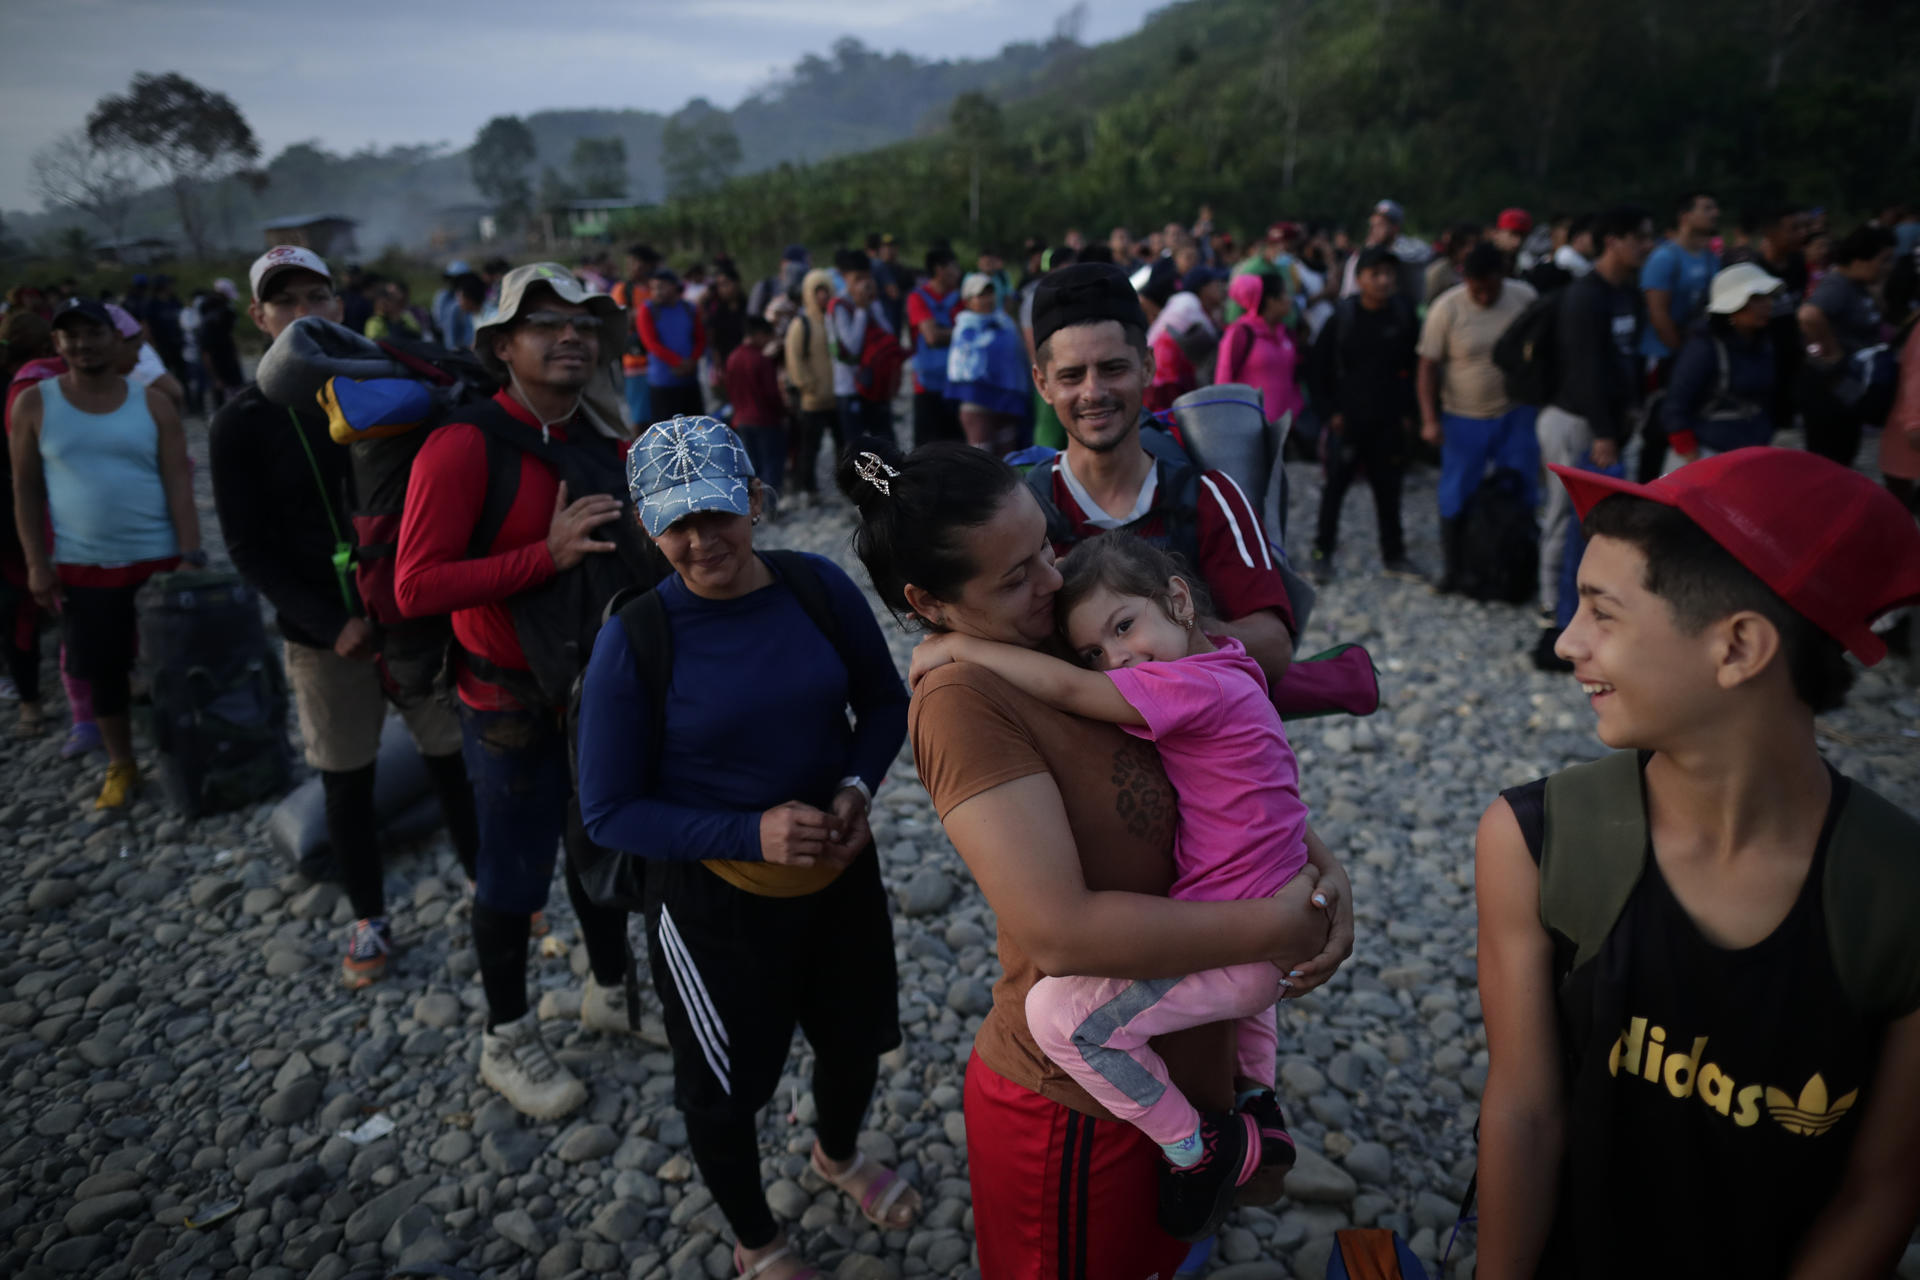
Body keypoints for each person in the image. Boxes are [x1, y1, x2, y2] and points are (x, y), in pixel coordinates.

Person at [839, 438, 1351, 1275]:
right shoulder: (964, 699)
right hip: (1079, 1113)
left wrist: (1323, 877)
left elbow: (1228, 758)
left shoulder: (1072, 628)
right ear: (928, 602)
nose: (1051, 577)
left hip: (1185, 1047)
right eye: (1014, 575)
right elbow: (1064, 935)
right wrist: (1279, 923)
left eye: (1043, 542)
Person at [1473, 449, 1920, 1279]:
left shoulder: (1898, 898)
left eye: (1603, 613)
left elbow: (1882, 1192)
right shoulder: (1537, 840)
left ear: (1740, 647)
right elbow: (1524, 1115)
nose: (1568, 642)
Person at [909, 530, 1320, 1239]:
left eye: (1124, 628)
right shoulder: (1233, 666)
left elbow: (1076, 691)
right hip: (1268, 939)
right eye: (1098, 651)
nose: (1119, 659)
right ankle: (1259, 1103)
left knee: (1057, 1018)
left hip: (1240, 947)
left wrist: (958, 649)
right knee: (1250, 999)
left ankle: (1195, 1148)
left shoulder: (1182, 685)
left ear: (1180, 600)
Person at [577, 416, 913, 1280]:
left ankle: (834, 1156)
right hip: (716, 907)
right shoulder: (637, 639)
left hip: (839, 876)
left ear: (756, 502)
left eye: (717, 514)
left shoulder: (815, 588)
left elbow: (883, 702)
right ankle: (756, 1239)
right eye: (677, 525)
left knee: (851, 1042)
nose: (701, 540)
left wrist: (856, 787)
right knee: (724, 1087)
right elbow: (608, 810)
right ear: (649, 529)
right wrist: (746, 831)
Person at [393, 264, 655, 1119]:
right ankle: (505, 1036)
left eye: (584, 322)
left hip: (593, 692)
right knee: (512, 871)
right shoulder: (464, 446)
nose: (572, 334)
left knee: (601, 844)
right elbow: (415, 587)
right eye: (545, 323)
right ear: (503, 347)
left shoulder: (605, 442)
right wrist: (543, 556)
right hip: (503, 697)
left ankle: (610, 992)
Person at [210, 245, 480, 987]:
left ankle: (488, 888)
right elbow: (246, 546)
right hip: (323, 636)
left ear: (340, 306)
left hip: (413, 616)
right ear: (259, 318)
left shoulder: (391, 389)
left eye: (317, 297)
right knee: (346, 779)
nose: (305, 314)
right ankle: (370, 915)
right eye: (285, 302)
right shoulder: (243, 421)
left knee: (451, 758)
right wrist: (331, 625)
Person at [1024, 262, 1298, 688]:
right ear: (1043, 384)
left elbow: (1275, 648)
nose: (1094, 392)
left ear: (1148, 367)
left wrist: (1160, 625)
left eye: (1113, 369)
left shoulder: (1209, 496)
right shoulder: (1025, 514)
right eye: (1072, 376)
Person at [9, 298, 202, 808]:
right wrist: (36, 563)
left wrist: (190, 553)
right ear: (56, 345)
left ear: (116, 341)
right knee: (103, 671)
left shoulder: (152, 403)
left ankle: (194, 754)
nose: (83, 344)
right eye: (70, 336)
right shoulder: (34, 404)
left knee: (175, 667)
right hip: (83, 565)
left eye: (94, 333)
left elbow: (178, 482)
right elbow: (25, 489)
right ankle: (122, 765)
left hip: (159, 561)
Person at [1536, 205, 1654, 640]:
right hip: (1576, 421)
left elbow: (1627, 359)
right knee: (1564, 515)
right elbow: (1583, 370)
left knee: (1599, 521)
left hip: (1607, 423)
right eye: (1638, 237)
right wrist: (1604, 431)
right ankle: (1552, 608)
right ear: (1613, 242)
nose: (1646, 246)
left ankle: (1586, 601)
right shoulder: (1585, 296)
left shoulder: (1627, 292)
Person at [1417, 243, 1540, 590]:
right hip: (1463, 416)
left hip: (1514, 413)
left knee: (1522, 487)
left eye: (1490, 287)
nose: (1484, 296)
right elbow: (1427, 367)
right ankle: (1454, 568)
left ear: (1502, 277)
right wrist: (1430, 418)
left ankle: (1518, 564)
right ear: (1465, 280)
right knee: (1455, 492)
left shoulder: (1523, 297)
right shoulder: (1447, 308)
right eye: (1477, 288)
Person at [1309, 245, 1422, 583]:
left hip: (1388, 421)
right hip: (1348, 420)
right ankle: (1321, 553)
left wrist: (1410, 413)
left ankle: (1395, 555)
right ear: (1359, 279)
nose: (1384, 281)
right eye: (1376, 274)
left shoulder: (1403, 316)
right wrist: (1329, 413)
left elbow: (1416, 368)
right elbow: (1316, 370)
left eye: (1389, 274)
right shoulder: (1342, 318)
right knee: (1335, 491)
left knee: (1389, 491)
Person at [1658, 263, 1783, 470]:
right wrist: (1691, 458)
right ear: (1732, 308)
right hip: (1704, 454)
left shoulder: (1763, 343)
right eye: (1756, 300)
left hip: (1750, 453)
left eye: (1768, 297)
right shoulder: (1704, 347)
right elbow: (1674, 407)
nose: (1767, 305)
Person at [1636, 192, 1722, 480]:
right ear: (1685, 217)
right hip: (1664, 357)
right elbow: (1658, 314)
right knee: (1659, 428)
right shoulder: (1665, 257)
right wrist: (1683, 354)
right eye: (1707, 208)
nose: (1715, 213)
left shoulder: (1711, 258)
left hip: (1693, 352)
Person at [1797, 224, 1897, 465]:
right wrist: (1833, 353)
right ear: (1860, 258)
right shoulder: (1837, 285)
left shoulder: (1859, 285)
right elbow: (1809, 315)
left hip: (1846, 386)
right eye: (1882, 260)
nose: (1886, 268)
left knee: (1844, 455)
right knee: (1828, 460)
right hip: (1829, 387)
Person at [945, 274, 1029, 453]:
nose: (987, 299)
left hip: (1007, 398)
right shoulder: (964, 327)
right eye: (981, 295)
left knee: (1009, 454)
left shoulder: (1005, 323)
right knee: (982, 454)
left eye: (990, 293)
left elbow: (1018, 357)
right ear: (968, 301)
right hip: (976, 398)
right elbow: (962, 367)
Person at [1215, 271, 1304, 428]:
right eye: (1284, 294)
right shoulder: (1241, 333)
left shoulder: (1285, 333)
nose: (1289, 300)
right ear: (1270, 300)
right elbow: (1223, 380)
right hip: (1248, 428)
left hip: (1284, 429)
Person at [828, 249, 900, 441]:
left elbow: (889, 335)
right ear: (844, 277)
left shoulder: (872, 302)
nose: (863, 284)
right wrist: (860, 310)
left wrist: (873, 305)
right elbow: (852, 347)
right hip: (849, 388)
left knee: (886, 444)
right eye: (857, 278)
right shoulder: (839, 306)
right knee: (857, 451)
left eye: (867, 278)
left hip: (875, 386)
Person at [783, 267, 841, 503]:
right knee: (810, 447)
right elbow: (794, 359)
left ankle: (846, 485)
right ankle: (808, 488)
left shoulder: (834, 320)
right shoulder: (801, 324)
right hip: (813, 399)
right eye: (818, 292)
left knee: (843, 445)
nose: (823, 297)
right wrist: (807, 385)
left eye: (826, 291)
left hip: (837, 396)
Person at [1145, 266, 1225, 412]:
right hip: (1162, 379)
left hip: (1170, 377)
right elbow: (1213, 344)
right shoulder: (1187, 302)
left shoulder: (1200, 307)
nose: (1221, 287)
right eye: (1216, 283)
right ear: (1203, 289)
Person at [723, 315, 787, 494]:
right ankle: (769, 503)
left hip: (742, 420)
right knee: (771, 464)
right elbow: (772, 394)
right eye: (767, 336)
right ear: (759, 335)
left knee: (752, 467)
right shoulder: (761, 360)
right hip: (765, 420)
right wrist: (783, 413)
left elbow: (729, 389)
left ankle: (754, 504)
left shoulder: (733, 357)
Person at [907, 248, 963, 446]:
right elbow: (931, 336)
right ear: (939, 269)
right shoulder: (917, 298)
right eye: (954, 267)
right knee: (927, 449)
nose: (958, 272)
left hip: (956, 383)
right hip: (926, 387)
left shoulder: (961, 298)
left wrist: (943, 332)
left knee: (956, 448)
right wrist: (961, 333)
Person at [635, 267, 707, 421]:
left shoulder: (690, 308)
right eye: (653, 288)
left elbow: (700, 338)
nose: (656, 292)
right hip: (662, 383)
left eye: (660, 287)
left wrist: (692, 361)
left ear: (673, 286)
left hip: (689, 381)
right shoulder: (647, 310)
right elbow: (651, 344)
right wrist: (678, 362)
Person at [1340, 199, 1432, 304]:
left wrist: (1387, 252)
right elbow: (1348, 294)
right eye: (1373, 224)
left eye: (1381, 224)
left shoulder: (1408, 247)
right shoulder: (1361, 255)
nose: (1374, 229)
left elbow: (1425, 254)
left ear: (1395, 227)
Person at [610, 244, 662, 429]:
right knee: (640, 419)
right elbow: (618, 320)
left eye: (636, 263)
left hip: (661, 361)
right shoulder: (623, 290)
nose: (632, 267)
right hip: (636, 361)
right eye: (629, 263)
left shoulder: (658, 288)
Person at [701, 267, 748, 405]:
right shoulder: (716, 313)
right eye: (720, 285)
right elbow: (713, 342)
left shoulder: (749, 307)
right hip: (727, 367)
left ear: (737, 283)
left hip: (749, 365)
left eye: (726, 283)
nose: (723, 289)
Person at [198, 280, 244, 412]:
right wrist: (215, 378)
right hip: (220, 365)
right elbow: (205, 352)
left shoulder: (219, 319)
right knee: (223, 401)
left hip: (227, 362)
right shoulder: (212, 323)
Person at [1425, 222, 1483, 304]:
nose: (1471, 249)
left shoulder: (1483, 269)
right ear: (1455, 245)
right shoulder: (1439, 271)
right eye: (1466, 244)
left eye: (1475, 244)